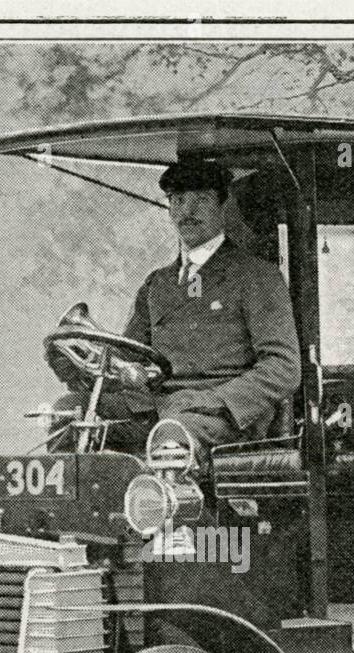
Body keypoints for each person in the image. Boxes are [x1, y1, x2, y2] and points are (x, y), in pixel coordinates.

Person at [52, 157, 301, 462]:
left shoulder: (256, 276)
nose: (188, 211)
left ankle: (161, 507)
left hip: (224, 417)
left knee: (171, 434)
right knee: (68, 413)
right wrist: (79, 364)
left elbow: (284, 368)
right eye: (178, 200)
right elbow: (127, 362)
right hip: (156, 408)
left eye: (201, 199)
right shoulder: (157, 284)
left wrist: (214, 401)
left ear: (222, 206)